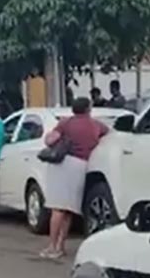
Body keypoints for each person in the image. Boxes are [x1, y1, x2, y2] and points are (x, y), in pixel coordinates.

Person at [40, 97, 109, 260]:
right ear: (88, 108)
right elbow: (110, 134)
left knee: (57, 209)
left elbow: (50, 140)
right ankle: (61, 246)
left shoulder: (66, 123)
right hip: (82, 166)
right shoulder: (96, 125)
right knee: (69, 209)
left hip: (63, 164)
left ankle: (52, 246)